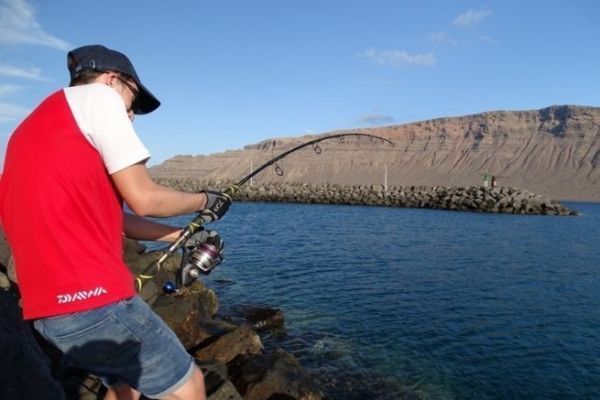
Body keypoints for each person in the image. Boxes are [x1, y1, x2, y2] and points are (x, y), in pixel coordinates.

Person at [0, 44, 231, 400]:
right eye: (133, 100)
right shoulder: (98, 98)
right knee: (190, 387)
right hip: (92, 300)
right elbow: (145, 199)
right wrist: (206, 200)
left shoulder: (36, 126)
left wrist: (179, 237)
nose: (132, 114)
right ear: (111, 80)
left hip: (48, 312)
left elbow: (118, 219)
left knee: (127, 386)